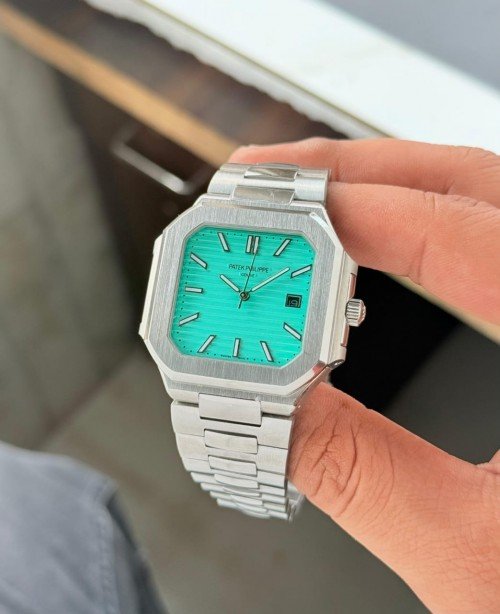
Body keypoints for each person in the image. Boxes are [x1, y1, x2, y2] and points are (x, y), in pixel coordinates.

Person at [0, 139, 498, 613]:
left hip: (271, 388)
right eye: (238, 291)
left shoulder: (302, 268)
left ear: (347, 313)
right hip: (194, 370)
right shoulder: (194, 245)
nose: (241, 296)